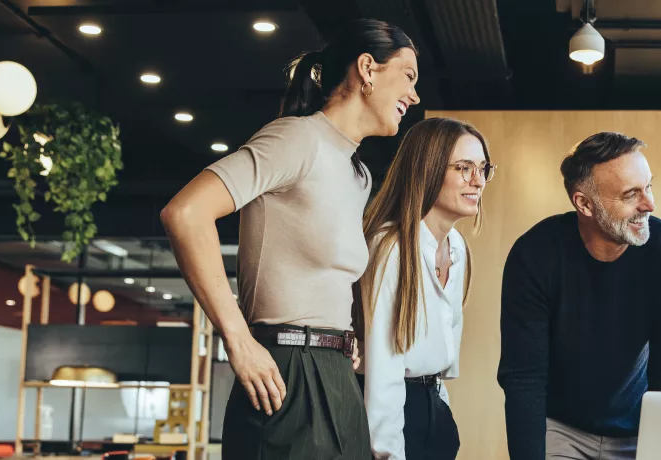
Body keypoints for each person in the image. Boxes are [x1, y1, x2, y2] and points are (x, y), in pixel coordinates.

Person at [159, 18, 420, 459]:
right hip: (285, 373)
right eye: (408, 76)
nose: (414, 95)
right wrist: (238, 339)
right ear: (367, 69)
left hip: (336, 373)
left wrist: (340, 340)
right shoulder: (297, 138)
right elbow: (186, 214)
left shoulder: (357, 173)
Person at [498, 132, 661, 460]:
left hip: (640, 426)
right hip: (560, 426)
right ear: (584, 204)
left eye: (648, 187)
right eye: (631, 194)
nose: (649, 204)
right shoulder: (535, 255)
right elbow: (524, 377)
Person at [358, 117, 494, 459]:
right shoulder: (391, 247)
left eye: (483, 168)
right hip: (392, 412)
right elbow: (383, 369)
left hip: (433, 408)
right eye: (464, 168)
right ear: (427, 169)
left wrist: (441, 411)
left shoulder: (457, 247)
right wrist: (388, 454)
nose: (478, 181)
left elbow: (439, 358)